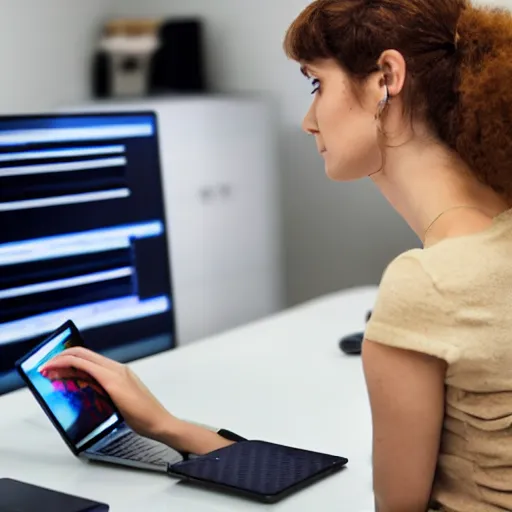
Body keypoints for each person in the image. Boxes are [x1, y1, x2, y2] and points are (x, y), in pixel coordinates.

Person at [40, 0, 512, 510]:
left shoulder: (427, 282)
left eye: (316, 84)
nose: (309, 121)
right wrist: (168, 428)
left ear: (386, 77)